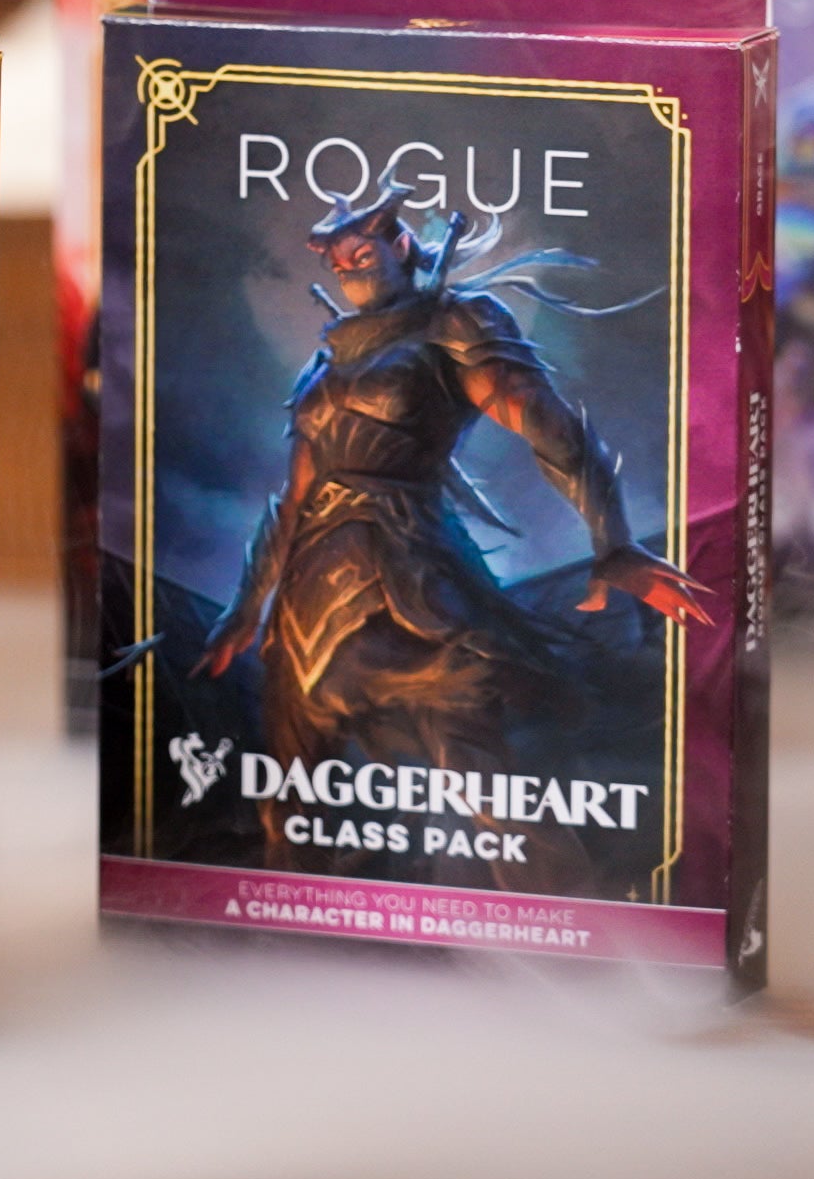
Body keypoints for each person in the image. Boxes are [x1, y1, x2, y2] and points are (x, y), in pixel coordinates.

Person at [196, 180, 709, 891]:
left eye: (361, 254)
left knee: (488, 784)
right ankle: (293, 928)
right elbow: (296, 498)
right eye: (338, 264)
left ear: (401, 244)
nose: (349, 272)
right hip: (308, 599)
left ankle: (564, 921)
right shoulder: (324, 363)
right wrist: (245, 610)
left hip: (410, 575)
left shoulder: (457, 323)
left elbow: (549, 427)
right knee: (289, 804)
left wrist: (612, 543)